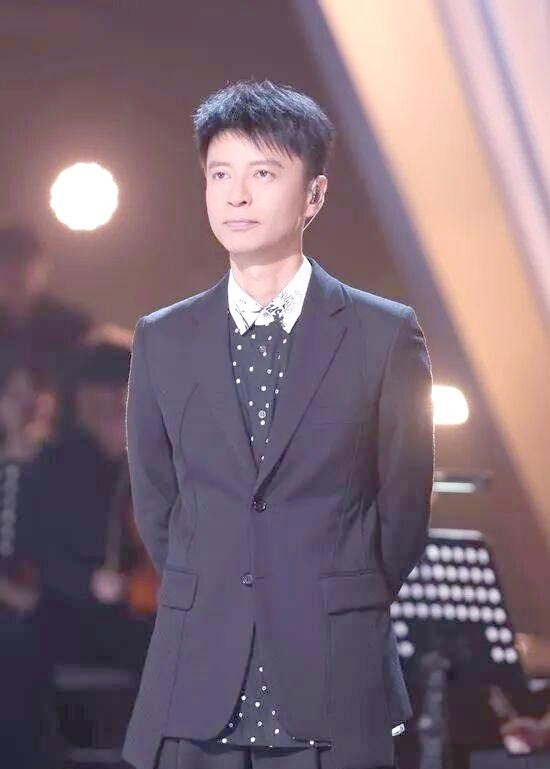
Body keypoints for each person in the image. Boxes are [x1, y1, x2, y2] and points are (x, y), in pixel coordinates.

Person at [123, 78, 434, 769]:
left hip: (333, 667)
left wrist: (338, 593)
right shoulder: (163, 338)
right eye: (220, 175)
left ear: (314, 195)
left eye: (263, 174)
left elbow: (404, 508)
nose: (236, 196)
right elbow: (157, 501)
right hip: (197, 671)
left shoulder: (383, 334)